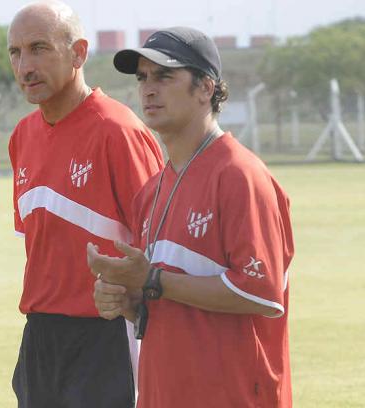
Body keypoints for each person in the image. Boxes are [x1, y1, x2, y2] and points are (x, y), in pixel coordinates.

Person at [87, 27, 294, 407]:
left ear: (205, 88)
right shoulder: (151, 192)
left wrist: (151, 279)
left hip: (232, 395)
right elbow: (161, 299)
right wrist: (123, 298)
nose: (149, 89)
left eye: (165, 76)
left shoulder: (239, 174)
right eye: (142, 78)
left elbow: (260, 292)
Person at [7, 2, 163, 407]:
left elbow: (160, 244)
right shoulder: (22, 136)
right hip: (40, 335)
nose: (25, 66)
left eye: (39, 48)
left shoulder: (119, 130)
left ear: (78, 53)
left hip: (106, 334)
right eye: (16, 52)